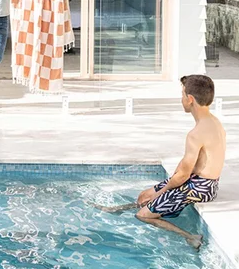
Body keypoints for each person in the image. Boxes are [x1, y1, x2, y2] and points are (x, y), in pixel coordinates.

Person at [96, 74, 226, 249]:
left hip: (202, 188)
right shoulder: (214, 122)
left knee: (143, 215)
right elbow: (190, 165)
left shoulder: (196, 134)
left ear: (190, 99)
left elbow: (183, 176)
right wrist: (163, 187)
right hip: (200, 181)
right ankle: (119, 209)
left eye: (182, 95)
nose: (181, 99)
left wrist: (161, 191)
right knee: (144, 195)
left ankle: (190, 237)